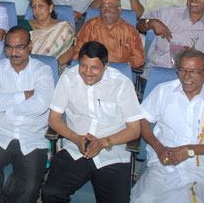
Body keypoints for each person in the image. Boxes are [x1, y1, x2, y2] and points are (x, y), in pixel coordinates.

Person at [131, 49, 204, 203]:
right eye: (182, 70)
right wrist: (159, 147)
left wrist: (189, 150)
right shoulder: (164, 91)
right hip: (163, 165)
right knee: (145, 198)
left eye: (194, 71)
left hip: (200, 169)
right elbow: (142, 120)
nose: (186, 77)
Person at [41, 41, 143, 202]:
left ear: (105, 66)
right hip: (76, 148)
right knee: (51, 192)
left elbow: (134, 129)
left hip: (112, 152)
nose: (87, 73)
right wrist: (76, 138)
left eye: (94, 68)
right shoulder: (68, 78)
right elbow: (54, 118)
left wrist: (102, 142)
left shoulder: (121, 84)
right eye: (83, 66)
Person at [0, 25, 53, 203]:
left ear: (29, 46)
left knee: (28, 188)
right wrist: (23, 95)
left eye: (19, 47)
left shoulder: (43, 70)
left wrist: (5, 107)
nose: (13, 53)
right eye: (9, 47)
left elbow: (40, 105)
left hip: (31, 136)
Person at [76, 0, 145, 69]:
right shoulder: (90, 26)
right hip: (91, 70)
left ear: (119, 9)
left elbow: (139, 58)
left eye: (110, 6)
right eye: (103, 6)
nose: (106, 10)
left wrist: (122, 66)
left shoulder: (129, 30)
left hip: (118, 71)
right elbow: (77, 52)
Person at [19, 0, 75, 72]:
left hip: (54, 68)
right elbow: (18, 49)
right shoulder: (24, 25)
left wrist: (54, 65)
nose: (37, 10)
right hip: (28, 67)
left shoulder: (64, 28)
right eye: (34, 7)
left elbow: (70, 52)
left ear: (50, 7)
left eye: (40, 6)